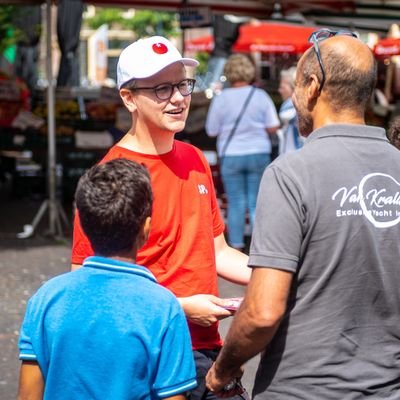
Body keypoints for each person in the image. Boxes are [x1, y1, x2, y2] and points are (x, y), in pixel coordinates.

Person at [206, 30, 400, 399]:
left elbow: (263, 311)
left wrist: (223, 369)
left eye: (296, 85)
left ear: (312, 86)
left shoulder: (290, 173)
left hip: (303, 389)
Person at [71, 36, 251, 400]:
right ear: (128, 98)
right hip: (143, 352)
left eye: (183, 84)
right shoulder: (111, 175)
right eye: (161, 88)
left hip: (204, 347)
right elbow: (87, 284)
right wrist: (180, 307)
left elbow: (217, 250)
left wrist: (280, 277)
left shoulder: (195, 158)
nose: (179, 98)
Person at [18, 158, 197, 400]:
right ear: (146, 229)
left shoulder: (46, 298)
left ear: (81, 222)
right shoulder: (164, 307)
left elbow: (28, 396)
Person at [205, 53, 279, 251]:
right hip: (258, 152)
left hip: (231, 154)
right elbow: (273, 125)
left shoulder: (221, 99)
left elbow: (211, 130)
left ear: (229, 73)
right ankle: (259, 248)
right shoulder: (260, 96)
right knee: (256, 203)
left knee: (236, 202)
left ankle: (236, 246)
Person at [277, 66, 303, 154]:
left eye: (282, 87)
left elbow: (284, 115)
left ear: (293, 87)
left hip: (294, 155)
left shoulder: (291, 106)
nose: (279, 90)